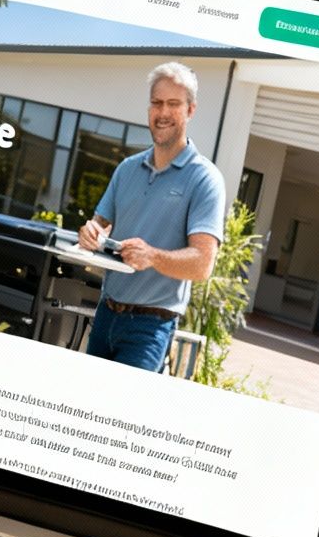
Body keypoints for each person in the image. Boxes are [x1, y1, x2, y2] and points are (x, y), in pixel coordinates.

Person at [77, 63, 226, 372]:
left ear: (190, 110)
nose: (163, 112)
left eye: (174, 104)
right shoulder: (127, 169)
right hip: (105, 315)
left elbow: (202, 263)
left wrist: (153, 257)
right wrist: (90, 234)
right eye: (157, 103)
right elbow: (99, 226)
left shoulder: (205, 179)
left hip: (149, 328)